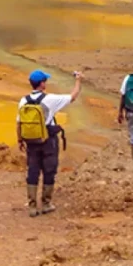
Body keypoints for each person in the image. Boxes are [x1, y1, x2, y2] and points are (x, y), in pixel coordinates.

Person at [16, 69, 82, 217]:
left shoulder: (23, 100)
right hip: (48, 141)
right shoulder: (50, 99)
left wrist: (20, 139)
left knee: (32, 171)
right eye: (45, 80)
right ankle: (46, 203)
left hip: (31, 141)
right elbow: (73, 96)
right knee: (49, 171)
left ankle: (32, 206)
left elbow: (19, 123)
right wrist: (78, 80)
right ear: (42, 83)